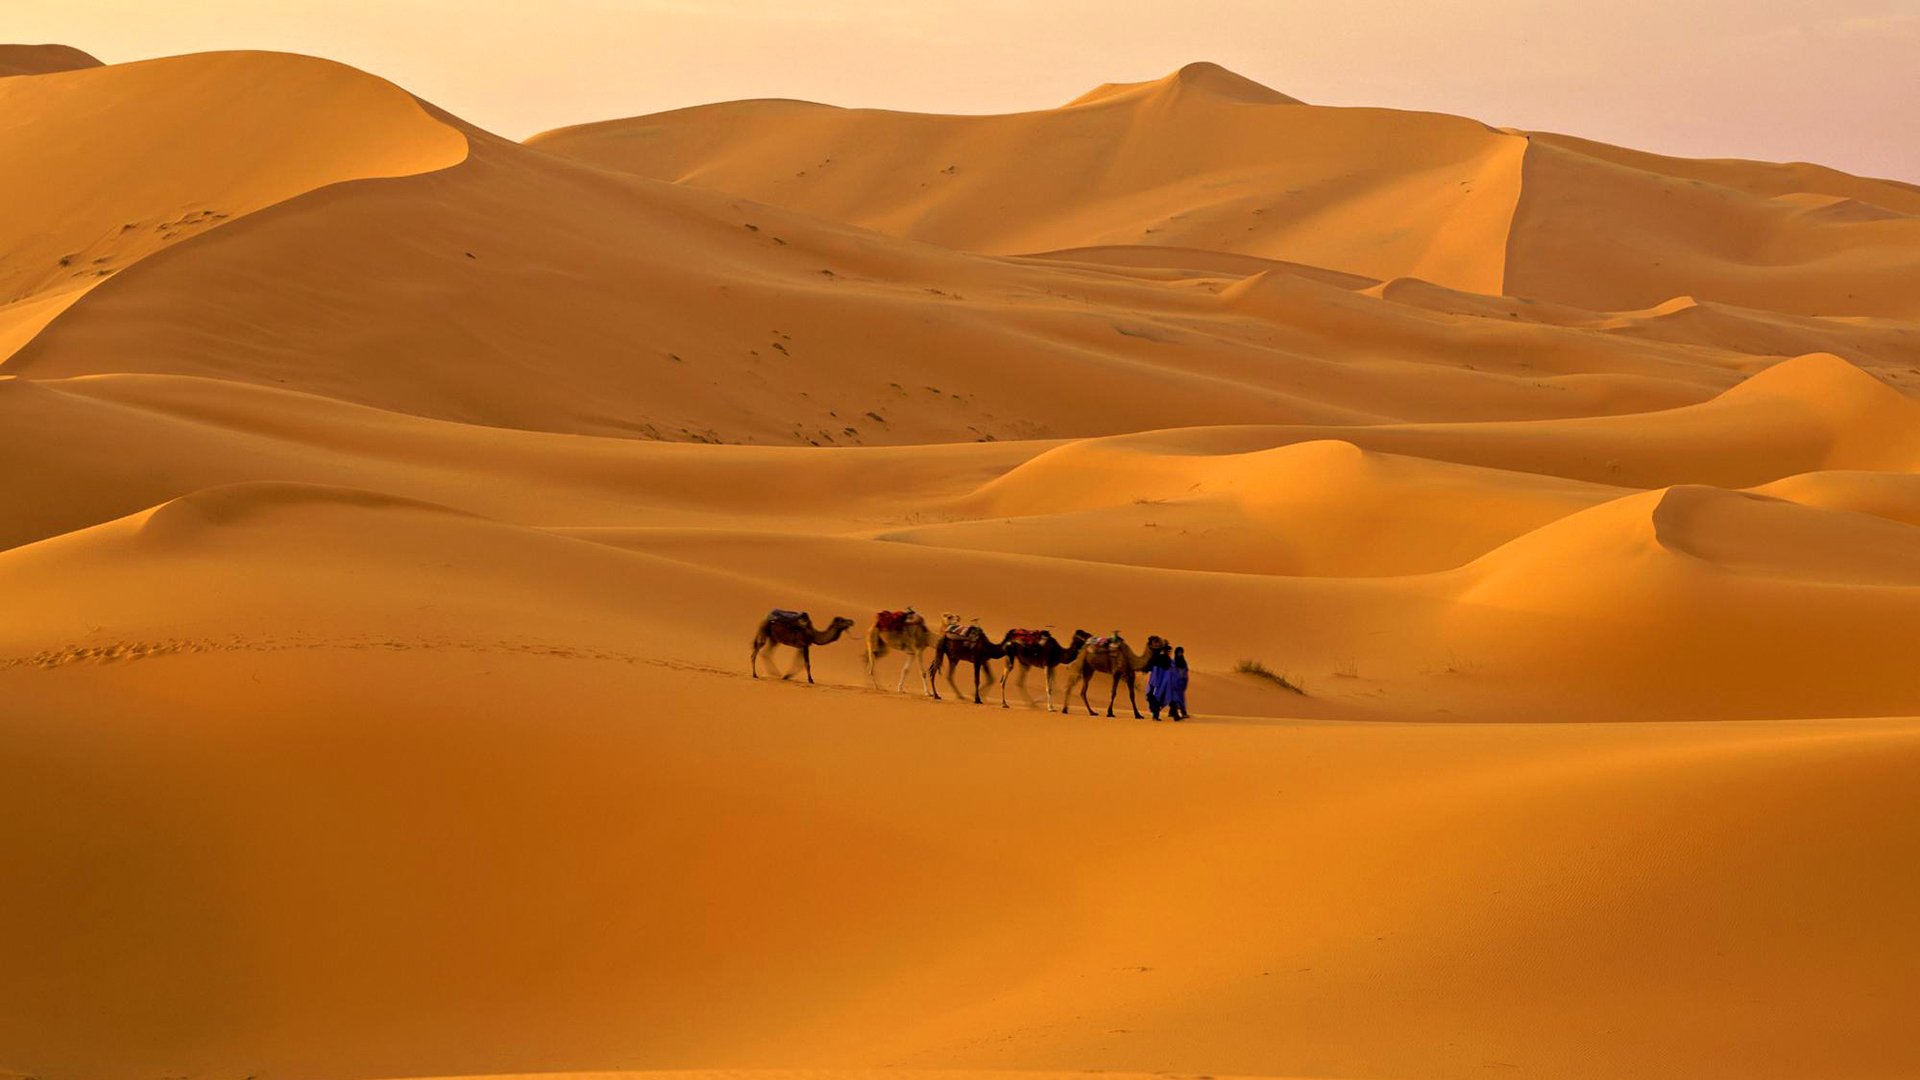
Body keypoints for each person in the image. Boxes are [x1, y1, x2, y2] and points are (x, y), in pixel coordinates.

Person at [1145, 642, 1174, 720]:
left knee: (1163, 697)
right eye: (1168, 651)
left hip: (1162, 683)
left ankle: (1171, 712)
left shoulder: (1166, 660)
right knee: (1156, 697)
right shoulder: (1159, 659)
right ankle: (1156, 714)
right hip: (1156, 682)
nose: (1169, 653)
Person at [1166, 646, 1190, 721]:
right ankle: (1181, 713)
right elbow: (1171, 673)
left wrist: (1185, 681)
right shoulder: (1173, 663)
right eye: (1178, 652)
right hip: (1174, 684)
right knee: (1175, 699)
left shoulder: (1183, 663)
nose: (1180, 654)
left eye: (1181, 652)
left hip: (1181, 683)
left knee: (1180, 699)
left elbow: (1185, 673)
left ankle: (1175, 712)